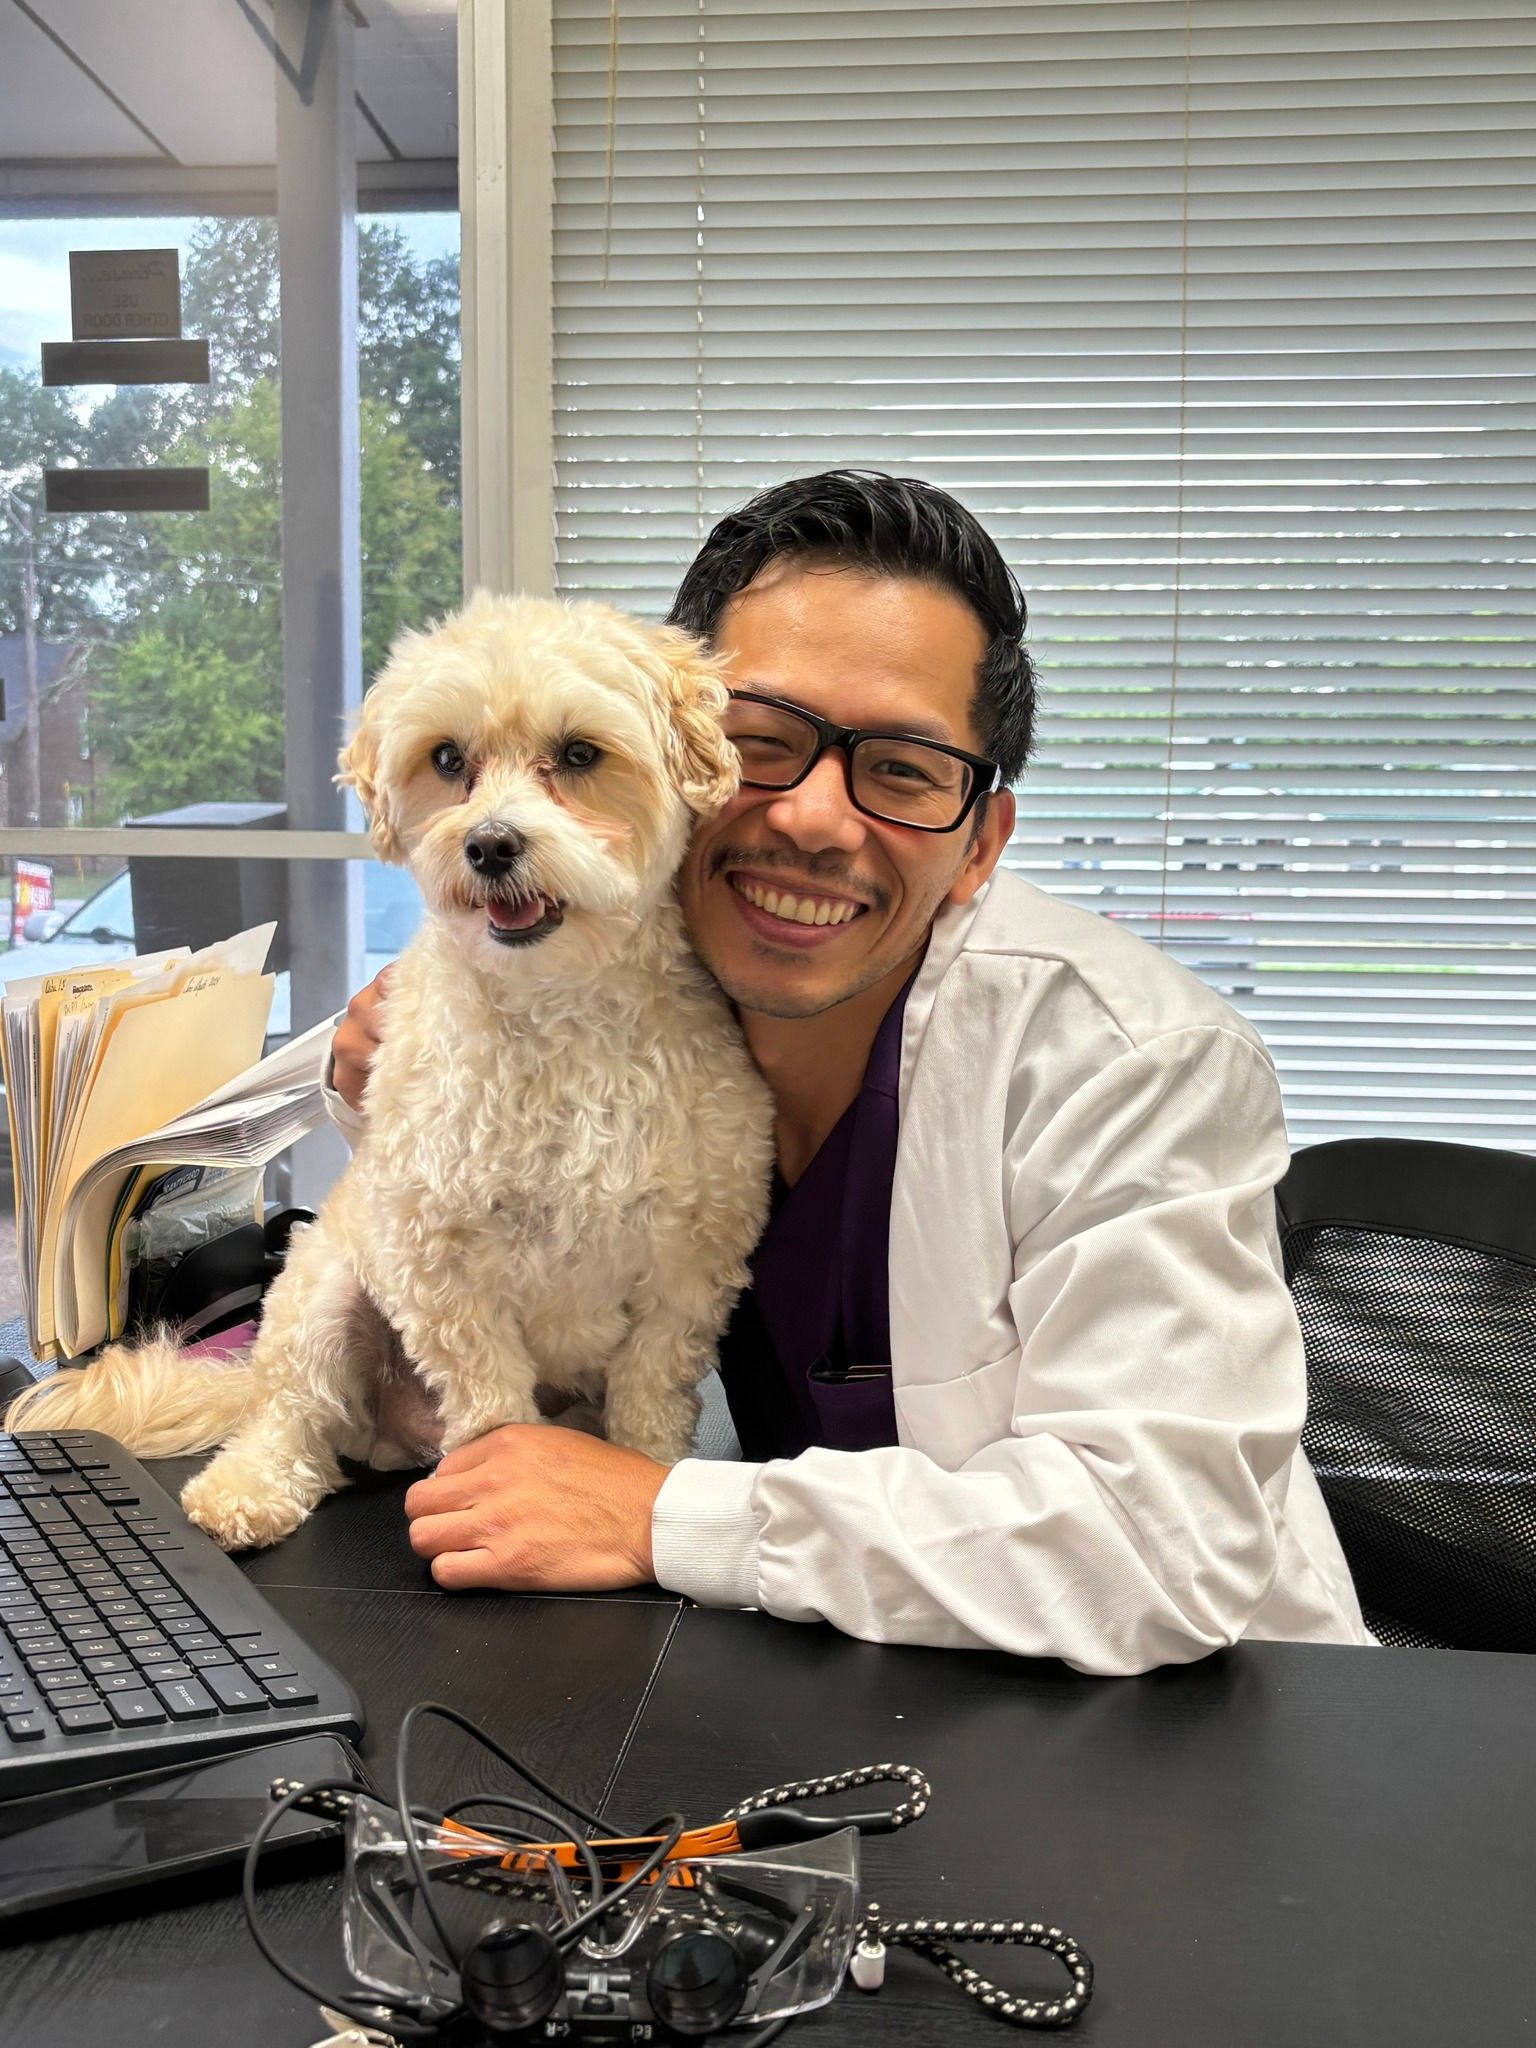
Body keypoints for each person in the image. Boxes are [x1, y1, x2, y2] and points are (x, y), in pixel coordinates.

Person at [326, 470, 1369, 1674]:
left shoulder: (1129, 1063)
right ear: (680, 759)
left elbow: (1159, 1550)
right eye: (762, 745)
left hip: (1195, 1723)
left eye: (904, 771)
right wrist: (362, 1078)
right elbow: (416, 1074)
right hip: (832, 1676)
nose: (814, 820)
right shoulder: (635, 957)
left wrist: (654, 1513)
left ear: (980, 843)